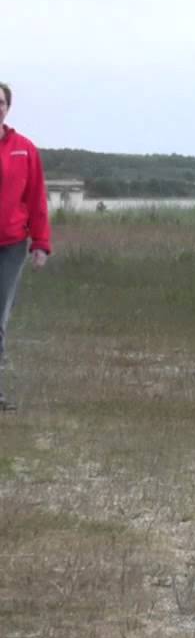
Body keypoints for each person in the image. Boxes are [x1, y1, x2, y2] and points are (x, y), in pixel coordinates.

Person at [0, 81, 52, 412]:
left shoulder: (24, 148)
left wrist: (41, 243)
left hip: (12, 245)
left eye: (0, 102)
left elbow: (36, 198)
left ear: (7, 107)